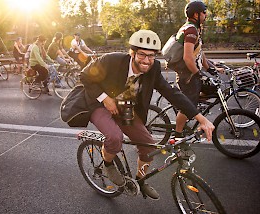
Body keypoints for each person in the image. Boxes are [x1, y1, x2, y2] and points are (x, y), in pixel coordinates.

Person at [80, 29, 215, 200]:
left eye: (151, 56)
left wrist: (201, 119)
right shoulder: (111, 60)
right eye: (142, 55)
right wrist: (106, 98)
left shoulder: (154, 68)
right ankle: (108, 164)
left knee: (148, 146)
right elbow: (84, 76)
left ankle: (140, 180)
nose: (147, 60)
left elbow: (172, 93)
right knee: (115, 137)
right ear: (132, 53)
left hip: (125, 105)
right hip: (99, 104)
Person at [168, 1, 222, 140]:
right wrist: (200, 74)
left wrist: (211, 67)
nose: (206, 15)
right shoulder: (191, 30)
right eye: (204, 12)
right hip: (188, 75)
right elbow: (187, 57)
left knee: (210, 90)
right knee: (187, 106)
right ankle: (177, 135)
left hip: (192, 74)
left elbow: (199, 53)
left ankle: (196, 115)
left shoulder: (195, 28)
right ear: (196, 14)